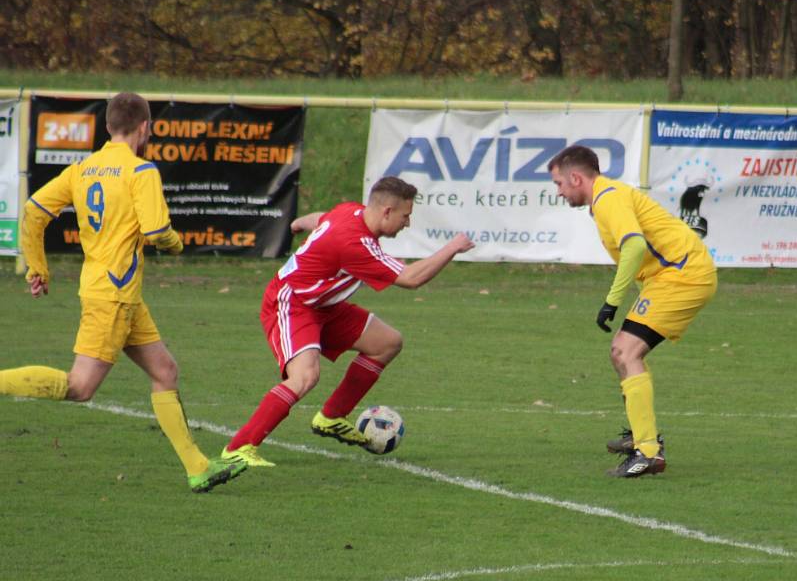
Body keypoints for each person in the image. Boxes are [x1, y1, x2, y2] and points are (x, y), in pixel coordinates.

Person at [0, 92, 246, 493]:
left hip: (115, 292)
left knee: (165, 371)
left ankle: (198, 466)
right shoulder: (140, 171)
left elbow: (33, 211)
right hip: (113, 296)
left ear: (109, 126)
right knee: (80, 387)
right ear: (145, 127)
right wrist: (175, 245)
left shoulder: (84, 169)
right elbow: (157, 232)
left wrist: (38, 267)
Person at [221, 176, 475, 466]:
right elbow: (411, 278)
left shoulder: (351, 211)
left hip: (324, 305)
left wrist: (300, 222)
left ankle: (331, 417)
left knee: (387, 343)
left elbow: (322, 219)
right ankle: (238, 447)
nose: (407, 223)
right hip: (293, 304)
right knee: (304, 377)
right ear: (387, 212)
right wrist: (452, 248)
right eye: (406, 216)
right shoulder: (357, 243)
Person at [548, 145, 717, 478]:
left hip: (683, 275)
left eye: (559, 184)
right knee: (620, 352)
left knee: (626, 351)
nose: (558, 192)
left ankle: (648, 452)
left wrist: (612, 300)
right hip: (671, 276)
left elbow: (635, 244)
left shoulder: (608, 197)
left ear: (577, 178)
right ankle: (643, 438)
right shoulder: (606, 196)